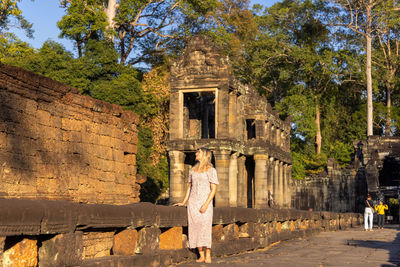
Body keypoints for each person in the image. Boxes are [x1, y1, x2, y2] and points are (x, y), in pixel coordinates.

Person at [173, 148, 219, 263]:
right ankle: (201, 254)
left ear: (204, 155)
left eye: (198, 152)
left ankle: (208, 253)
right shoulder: (193, 170)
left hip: (205, 201)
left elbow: (213, 189)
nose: (196, 154)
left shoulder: (211, 170)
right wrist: (184, 202)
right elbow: (189, 187)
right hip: (193, 202)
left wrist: (206, 204)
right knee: (195, 227)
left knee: (205, 226)